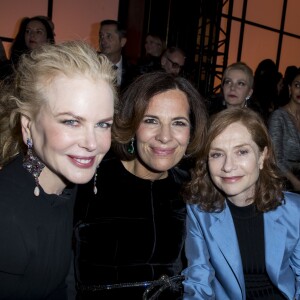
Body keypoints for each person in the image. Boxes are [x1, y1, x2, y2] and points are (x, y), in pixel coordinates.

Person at [73, 71, 208, 299]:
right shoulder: (92, 177)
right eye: (151, 120)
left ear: (190, 132)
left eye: (178, 123)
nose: (165, 137)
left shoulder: (193, 189)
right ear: (132, 124)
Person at [0, 40, 117, 299]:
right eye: (71, 122)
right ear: (28, 126)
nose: (91, 143)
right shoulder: (7, 215)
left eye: (102, 124)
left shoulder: (62, 184)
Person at [181, 107, 300, 299]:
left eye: (242, 152)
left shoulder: (294, 210)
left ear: (263, 156)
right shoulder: (199, 212)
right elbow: (198, 282)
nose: (228, 166)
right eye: (217, 154)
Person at [268, 67, 300, 192]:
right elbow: (274, 158)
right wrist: (295, 181)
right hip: (282, 184)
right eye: (297, 85)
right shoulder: (278, 116)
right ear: (289, 88)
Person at [0, 16, 55, 81]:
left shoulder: (54, 67)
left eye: (38, 32)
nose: (32, 35)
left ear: (48, 40)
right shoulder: (11, 68)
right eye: (28, 31)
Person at [99, 19, 135, 92]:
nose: (103, 41)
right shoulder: (91, 65)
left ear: (122, 42)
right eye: (101, 36)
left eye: (108, 36)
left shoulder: (133, 71)